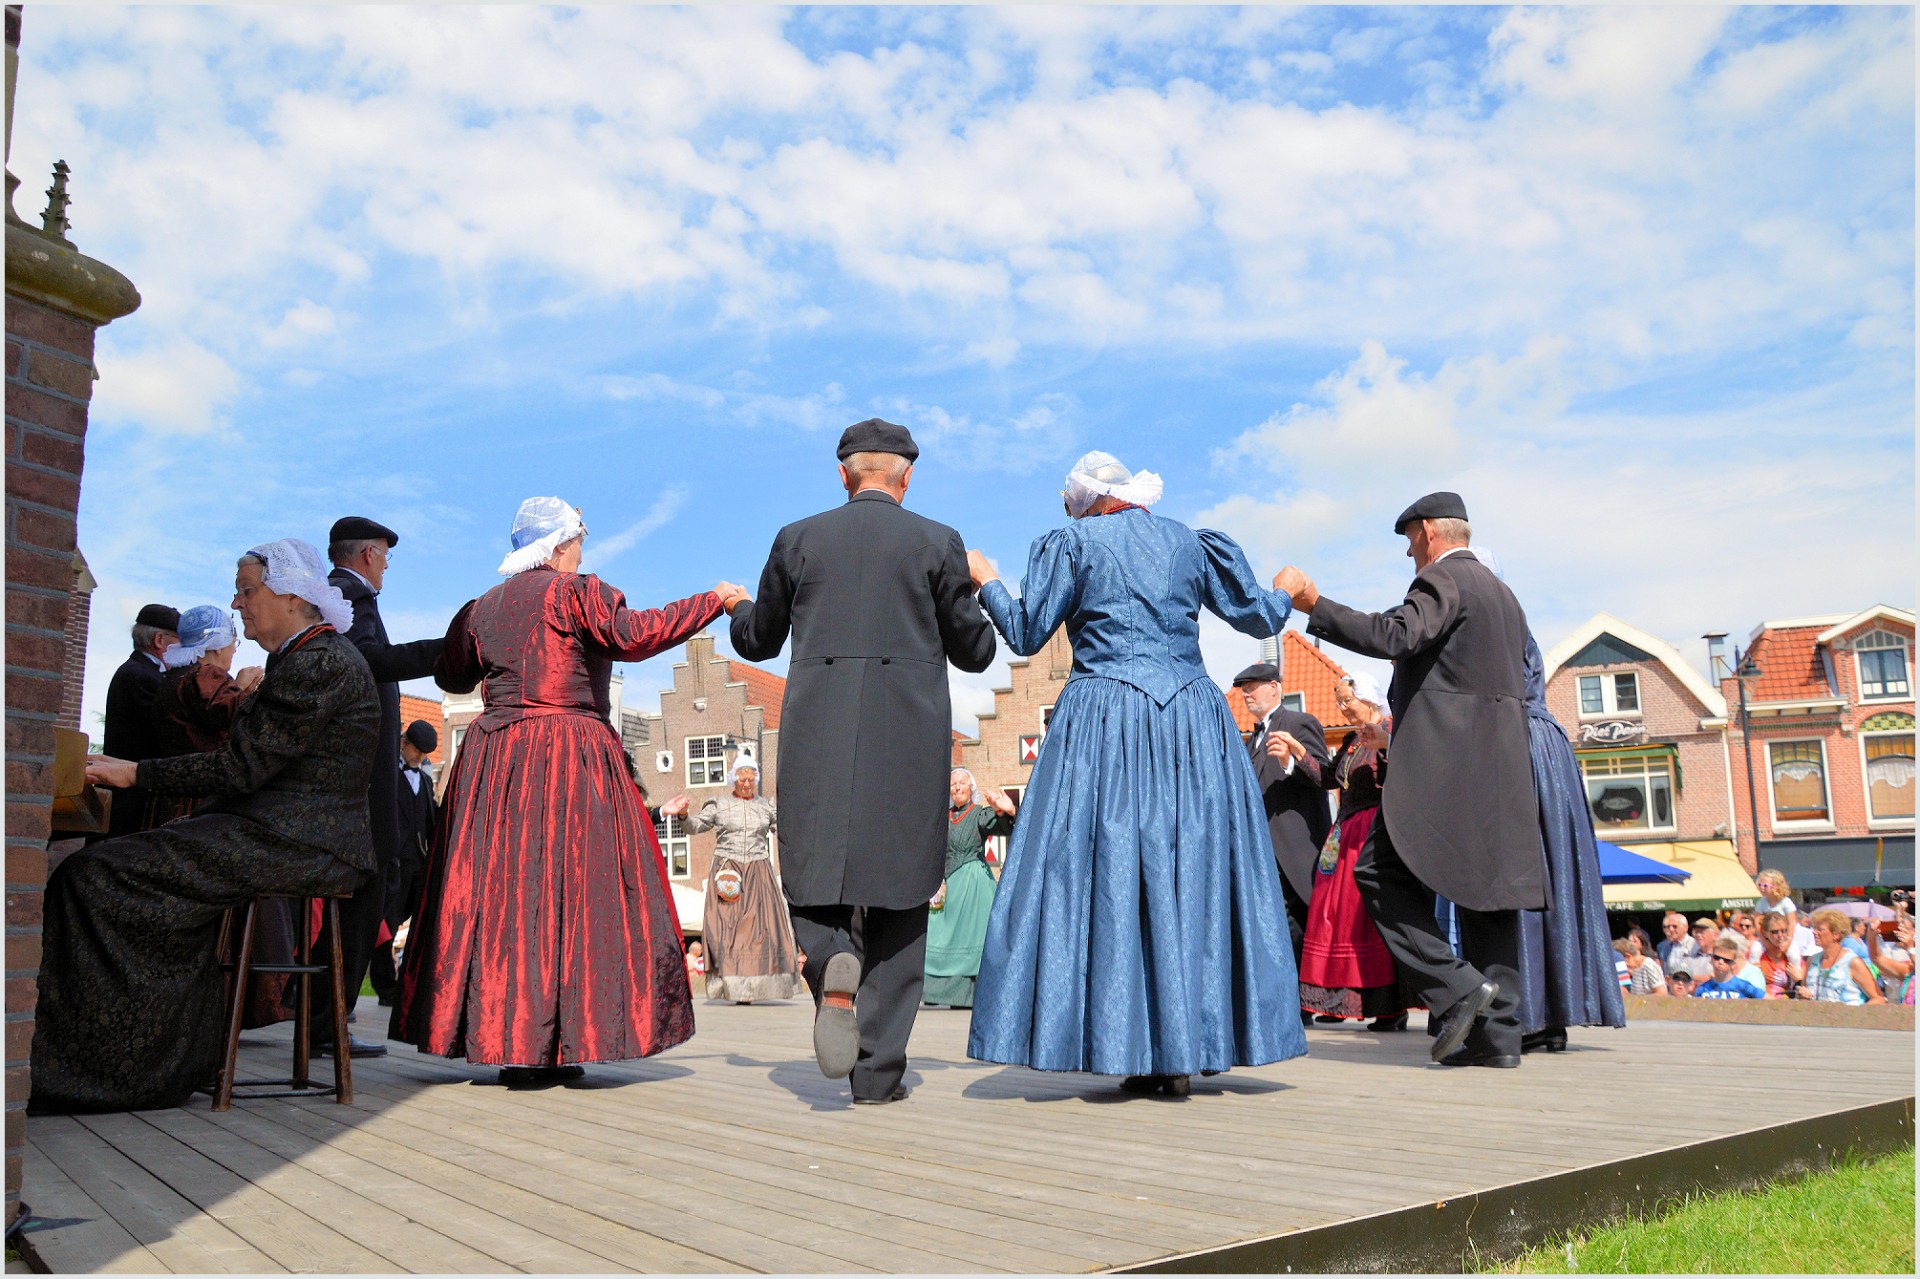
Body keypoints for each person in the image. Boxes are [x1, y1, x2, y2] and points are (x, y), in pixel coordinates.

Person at [967, 450, 1307, 1098]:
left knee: (1102, 870)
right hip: (1189, 718)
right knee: (1190, 875)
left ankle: (1123, 1041)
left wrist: (985, 578)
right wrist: (1287, 585)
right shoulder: (1189, 541)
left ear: (1084, 502)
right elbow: (1261, 616)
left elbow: (1026, 629)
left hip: (1106, 717)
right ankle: (1180, 1049)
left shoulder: (1072, 542)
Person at [393, 498, 737, 1086]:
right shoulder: (576, 592)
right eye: (579, 540)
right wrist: (713, 600)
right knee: (577, 894)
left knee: (503, 898)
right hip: (567, 754)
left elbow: (451, 675)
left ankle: (510, 1041)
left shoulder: (482, 607)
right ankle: (563, 1040)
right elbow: (635, 636)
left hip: (496, 761)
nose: (583, 552)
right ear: (558, 546)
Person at [31, 539, 376, 1113]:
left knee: (93, 874)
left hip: (300, 840)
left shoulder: (319, 661)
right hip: (279, 831)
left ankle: (113, 1070)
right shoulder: (304, 657)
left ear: (291, 594)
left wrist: (133, 773)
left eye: (247, 591)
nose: (238, 603)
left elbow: (241, 766)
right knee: (110, 871)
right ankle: (150, 1059)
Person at [728, 420, 997, 1105]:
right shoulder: (937, 540)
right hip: (907, 735)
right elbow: (974, 652)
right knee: (903, 897)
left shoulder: (798, 538)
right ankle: (876, 1076)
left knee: (813, 873)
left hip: (819, 726)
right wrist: (981, 587)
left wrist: (735, 607)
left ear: (842, 475)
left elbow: (759, 639)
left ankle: (827, 959)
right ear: (907, 477)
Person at [1278, 493, 1545, 1068]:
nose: (1409, 556)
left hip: (1446, 767)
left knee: (1377, 869)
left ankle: (1454, 989)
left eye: (1408, 543)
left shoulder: (1444, 581)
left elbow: (1394, 635)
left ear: (1427, 532)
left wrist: (1313, 602)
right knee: (1489, 896)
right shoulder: (1506, 597)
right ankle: (1496, 1042)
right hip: (1500, 767)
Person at [323, 515, 445, 1058]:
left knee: (367, 899)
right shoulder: (350, 597)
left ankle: (329, 1018)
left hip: (365, 786)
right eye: (386, 555)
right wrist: (443, 652)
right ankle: (329, 1022)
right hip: (361, 779)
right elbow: (370, 662)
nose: (388, 566)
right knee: (361, 897)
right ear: (369, 554)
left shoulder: (345, 595)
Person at [1496, 583, 1625, 1054]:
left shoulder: (1493, 630)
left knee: (1522, 878)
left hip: (1518, 748)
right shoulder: (1516, 626)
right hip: (1548, 752)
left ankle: (1529, 1015)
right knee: (1557, 878)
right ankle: (1554, 1012)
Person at [1299, 674, 1408, 1031]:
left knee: (1364, 915)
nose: (1342, 708)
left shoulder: (1389, 730)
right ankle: (1338, 999)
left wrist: (1385, 744)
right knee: (1333, 916)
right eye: (1339, 702)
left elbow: (1403, 773)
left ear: (1369, 699)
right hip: (1344, 833)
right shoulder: (1349, 741)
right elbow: (1329, 779)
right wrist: (1300, 754)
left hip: (1374, 828)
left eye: (1348, 700)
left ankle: (1388, 1006)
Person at [1231, 660, 1332, 1000]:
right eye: (1243, 689)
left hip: (1297, 848)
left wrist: (1291, 760)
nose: (1246, 694)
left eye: (1253, 686)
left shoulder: (1301, 723)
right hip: (1263, 851)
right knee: (1277, 924)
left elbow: (1324, 775)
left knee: (1303, 922)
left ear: (1274, 687)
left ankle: (1304, 1001)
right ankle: (1290, 1000)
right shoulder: (1250, 742)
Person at [683, 757, 807, 1004]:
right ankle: (733, 986)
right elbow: (695, 826)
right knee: (729, 930)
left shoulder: (765, 807)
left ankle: (758, 985)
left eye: (751, 779)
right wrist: (684, 816)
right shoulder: (720, 804)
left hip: (758, 869)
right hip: (728, 870)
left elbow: (789, 829)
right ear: (734, 779)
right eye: (743, 779)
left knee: (763, 929)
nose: (748, 784)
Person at [148, 605, 264, 820]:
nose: (234, 650)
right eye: (233, 643)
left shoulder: (173, 678)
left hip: (169, 794)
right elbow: (245, 721)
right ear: (218, 647)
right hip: (198, 797)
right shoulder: (206, 677)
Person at [924, 768, 1015, 1010]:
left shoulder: (979, 814)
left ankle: (969, 996)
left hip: (974, 885)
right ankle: (935, 991)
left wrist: (1003, 809)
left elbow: (1004, 828)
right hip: (947, 885)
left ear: (971, 788)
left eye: (962, 783)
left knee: (971, 936)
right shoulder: (944, 817)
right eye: (953, 783)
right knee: (936, 933)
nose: (957, 787)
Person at [369, 720, 440, 1006]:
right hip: (392, 862)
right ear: (403, 742)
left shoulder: (423, 780)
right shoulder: (387, 774)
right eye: (417, 750)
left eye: (424, 753)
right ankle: (386, 988)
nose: (419, 757)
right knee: (386, 924)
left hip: (418, 863)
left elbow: (429, 819)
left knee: (419, 924)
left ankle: (411, 983)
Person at [99, 602, 180, 838]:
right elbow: (167, 735)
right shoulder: (142, 677)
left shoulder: (138, 672)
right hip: (133, 801)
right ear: (159, 641)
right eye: (180, 640)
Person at [1797, 909, 1886, 1005]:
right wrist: (1803, 996)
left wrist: (1857, 1015)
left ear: (1836, 935)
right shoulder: (1812, 961)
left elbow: (1879, 998)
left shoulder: (1852, 962)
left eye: (1820, 929)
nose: (1814, 932)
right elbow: (1804, 994)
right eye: (1814, 928)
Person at [1695, 936, 1766, 999]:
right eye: (1717, 957)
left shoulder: (1743, 986)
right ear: (1711, 958)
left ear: (1733, 963)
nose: (1720, 962)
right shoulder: (1703, 989)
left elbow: (1772, 1002)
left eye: (1726, 960)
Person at [1755, 914, 1806, 999]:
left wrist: (1799, 979)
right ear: (1765, 933)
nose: (1780, 935)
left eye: (1784, 931)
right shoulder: (1758, 956)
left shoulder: (1794, 957)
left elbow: (1806, 987)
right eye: (1775, 932)